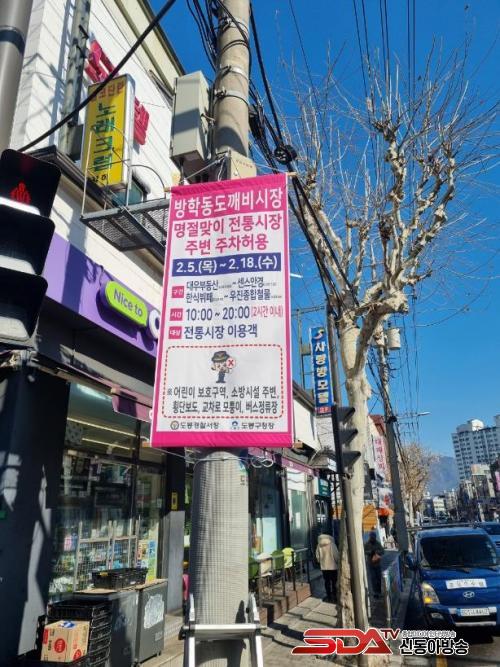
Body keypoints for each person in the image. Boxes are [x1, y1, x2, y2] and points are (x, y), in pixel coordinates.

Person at [316, 533, 339, 602]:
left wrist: (320, 562)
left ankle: (329, 597)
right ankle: (335, 596)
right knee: (334, 582)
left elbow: (317, 556)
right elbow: (336, 556)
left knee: (327, 582)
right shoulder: (332, 544)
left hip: (324, 567)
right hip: (333, 567)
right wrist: (337, 562)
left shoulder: (319, 545)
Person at [364, 531, 385, 598]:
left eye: (374, 537)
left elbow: (382, 551)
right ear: (370, 537)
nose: (373, 538)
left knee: (378, 578)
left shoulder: (378, 543)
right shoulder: (367, 544)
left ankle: (379, 592)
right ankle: (375, 593)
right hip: (371, 564)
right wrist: (370, 552)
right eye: (371, 537)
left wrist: (377, 552)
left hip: (377, 564)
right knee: (373, 579)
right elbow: (364, 551)